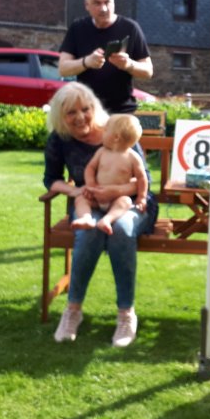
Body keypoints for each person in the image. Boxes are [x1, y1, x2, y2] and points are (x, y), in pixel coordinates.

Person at [43, 82, 158, 347]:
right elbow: (51, 179)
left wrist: (115, 191)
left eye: (85, 109)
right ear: (60, 116)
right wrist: (75, 191)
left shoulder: (117, 130)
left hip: (130, 203)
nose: (80, 117)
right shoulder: (60, 140)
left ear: (94, 107)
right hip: (89, 203)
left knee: (121, 230)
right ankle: (73, 310)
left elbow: (145, 180)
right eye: (71, 112)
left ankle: (126, 314)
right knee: (89, 231)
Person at [59, 0, 153, 114]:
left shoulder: (130, 28)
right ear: (87, 5)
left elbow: (148, 71)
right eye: (97, 3)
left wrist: (128, 64)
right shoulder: (77, 28)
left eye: (107, 2)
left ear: (113, 2)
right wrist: (86, 62)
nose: (103, 8)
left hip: (122, 111)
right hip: (87, 111)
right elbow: (63, 69)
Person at [71, 113, 149, 235]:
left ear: (116, 137)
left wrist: (142, 197)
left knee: (126, 201)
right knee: (81, 199)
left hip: (117, 199)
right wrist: (91, 184)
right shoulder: (102, 152)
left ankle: (107, 220)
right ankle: (86, 218)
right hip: (96, 197)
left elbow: (142, 178)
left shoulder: (132, 157)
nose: (102, 132)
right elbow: (90, 168)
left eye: (106, 130)